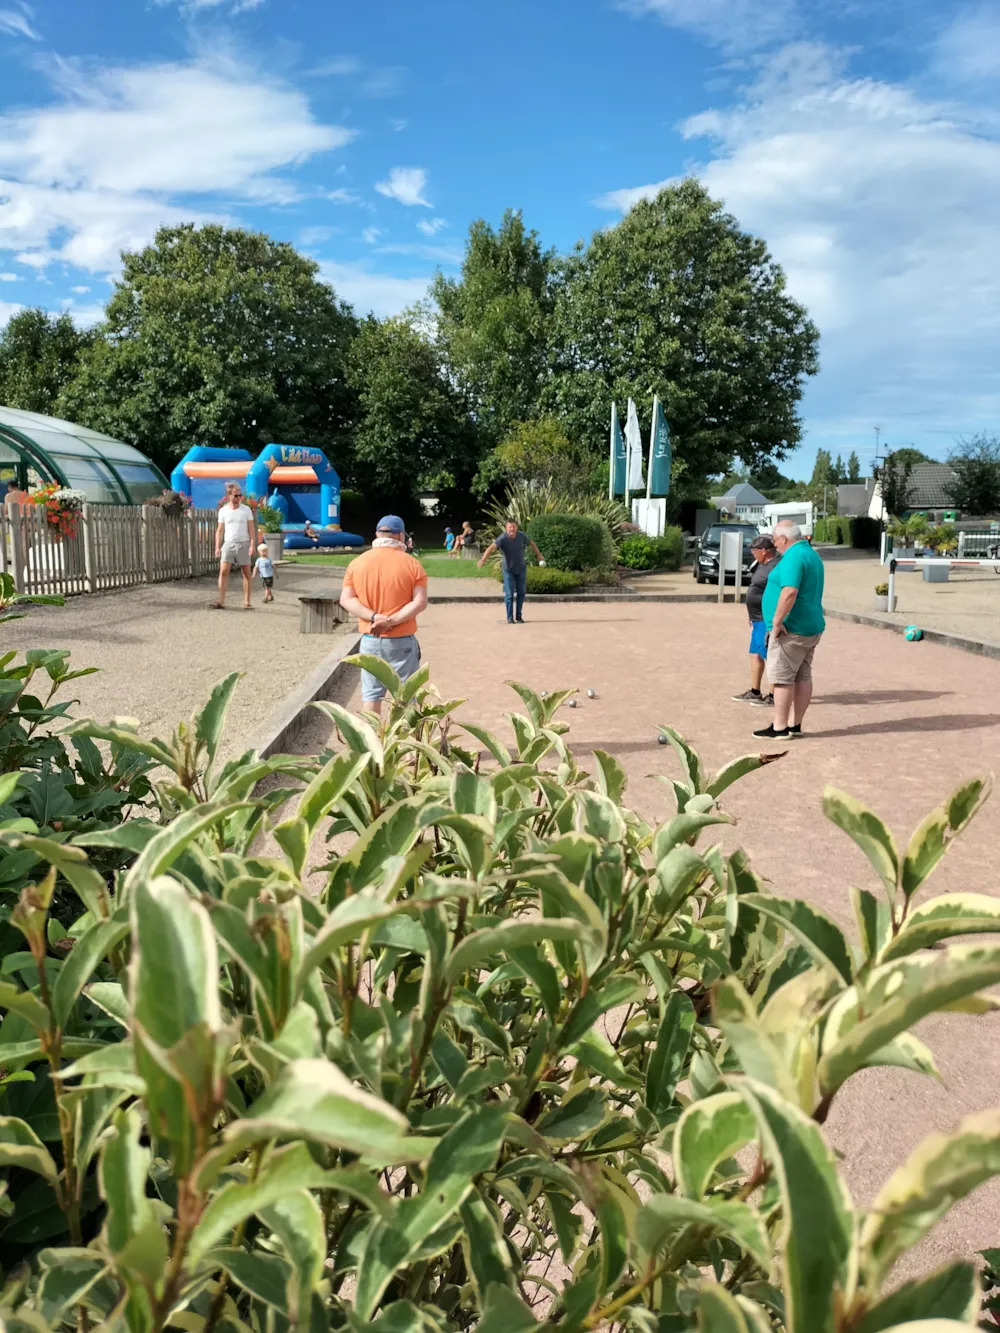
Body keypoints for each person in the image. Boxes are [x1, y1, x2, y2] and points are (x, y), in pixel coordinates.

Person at [339, 515, 428, 716]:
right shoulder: (412, 564)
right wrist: (391, 621)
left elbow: (346, 599)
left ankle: (373, 743)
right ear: (399, 536)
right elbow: (420, 601)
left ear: (377, 534)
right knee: (407, 698)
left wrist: (375, 618)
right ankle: (406, 743)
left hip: (370, 638)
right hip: (402, 640)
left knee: (371, 697)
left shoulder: (357, 563)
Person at [754, 519, 825, 740]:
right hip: (810, 626)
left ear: (784, 538)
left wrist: (776, 622)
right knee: (803, 676)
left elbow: (789, 592)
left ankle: (780, 727)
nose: (774, 544)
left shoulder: (794, 557)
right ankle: (795, 724)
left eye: (775, 540)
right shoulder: (811, 554)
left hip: (792, 629)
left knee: (782, 678)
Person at [732, 534, 779, 706]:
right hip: (757, 618)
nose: (752, 552)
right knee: (756, 654)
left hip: (766, 619)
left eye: (755, 549)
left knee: (770, 656)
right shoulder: (762, 564)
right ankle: (755, 691)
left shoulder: (775, 567)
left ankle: (774, 695)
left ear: (765, 551)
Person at [478, 518, 545, 624]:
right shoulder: (503, 538)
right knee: (509, 594)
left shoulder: (521, 536)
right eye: (510, 527)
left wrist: (539, 555)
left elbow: (532, 543)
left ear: (516, 527)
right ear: (506, 528)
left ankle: (519, 616)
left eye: (513, 527)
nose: (512, 529)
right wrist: (483, 560)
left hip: (521, 568)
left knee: (521, 593)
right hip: (508, 569)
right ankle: (510, 617)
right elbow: (491, 548)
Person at [212, 486, 256, 610]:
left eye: (239, 495)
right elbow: (220, 530)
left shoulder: (246, 510)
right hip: (228, 543)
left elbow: (251, 529)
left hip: (244, 543)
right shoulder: (223, 511)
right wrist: (217, 547)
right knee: (223, 571)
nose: (238, 498)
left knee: (246, 572)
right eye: (235, 495)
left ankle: (247, 601)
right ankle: (221, 600)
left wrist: (252, 544)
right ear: (229, 495)